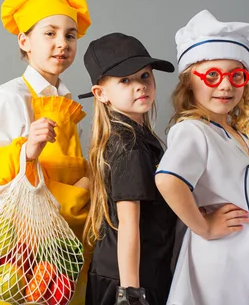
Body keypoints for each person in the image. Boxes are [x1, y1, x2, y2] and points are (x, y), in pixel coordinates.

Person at [0, 0, 92, 304]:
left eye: (70, 35)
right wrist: (26, 149)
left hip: (65, 233)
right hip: (22, 239)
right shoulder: (12, 96)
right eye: (50, 33)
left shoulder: (67, 99)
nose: (62, 43)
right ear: (24, 41)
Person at [155, 10, 249, 305]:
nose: (225, 85)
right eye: (212, 75)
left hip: (242, 256)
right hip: (220, 258)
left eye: (236, 75)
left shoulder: (232, 132)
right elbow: (168, 180)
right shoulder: (193, 130)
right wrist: (205, 226)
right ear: (189, 81)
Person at [80, 33, 177, 305]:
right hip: (129, 281)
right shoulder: (129, 146)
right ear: (101, 94)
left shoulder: (137, 138)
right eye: (125, 80)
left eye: (145, 76)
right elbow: (128, 224)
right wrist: (131, 294)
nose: (140, 86)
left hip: (136, 273)